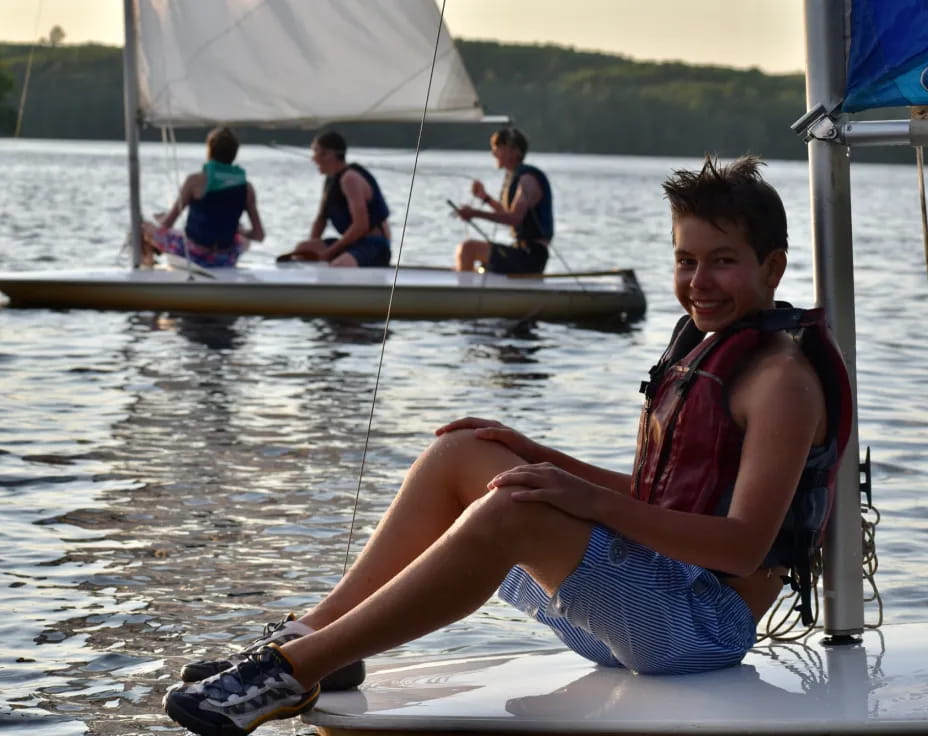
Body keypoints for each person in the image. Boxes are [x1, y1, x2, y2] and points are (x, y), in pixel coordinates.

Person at [162, 155, 853, 736]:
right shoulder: (709, 348)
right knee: (463, 453)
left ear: (772, 268)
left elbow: (738, 545)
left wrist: (581, 499)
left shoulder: (781, 382)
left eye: (723, 263)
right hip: (644, 605)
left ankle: (290, 676)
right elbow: (657, 499)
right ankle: (315, 639)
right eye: (686, 260)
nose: (699, 282)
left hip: (699, 631)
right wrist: (535, 452)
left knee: (514, 512)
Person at [141, 126, 264, 268]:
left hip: (193, 255)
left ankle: (147, 264)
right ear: (234, 154)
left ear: (209, 151)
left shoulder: (194, 181)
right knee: (242, 238)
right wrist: (239, 231)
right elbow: (258, 235)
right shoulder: (247, 188)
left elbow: (167, 225)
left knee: (145, 228)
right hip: (226, 258)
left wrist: (161, 220)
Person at [277, 130, 391, 267]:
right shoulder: (331, 180)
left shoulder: (350, 179)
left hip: (374, 245)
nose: (313, 158)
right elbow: (321, 220)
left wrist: (329, 253)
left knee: (340, 265)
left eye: (316, 152)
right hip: (353, 243)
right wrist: (310, 257)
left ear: (329, 154)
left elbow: (361, 226)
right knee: (303, 248)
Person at [453, 127, 554, 274]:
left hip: (531, 256)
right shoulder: (515, 177)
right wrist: (485, 198)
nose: (494, 153)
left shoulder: (527, 180)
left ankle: (464, 295)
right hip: (519, 250)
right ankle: (466, 287)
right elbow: (508, 214)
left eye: (498, 148)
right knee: (475, 261)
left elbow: (514, 218)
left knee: (468, 249)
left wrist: (474, 213)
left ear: (515, 151)